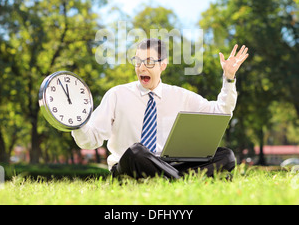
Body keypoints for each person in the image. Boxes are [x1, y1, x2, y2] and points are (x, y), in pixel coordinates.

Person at [72, 38, 249, 179]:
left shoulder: (181, 96)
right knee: (136, 151)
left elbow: (220, 113)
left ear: (162, 65)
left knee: (226, 156)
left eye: (148, 62)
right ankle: (184, 180)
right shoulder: (117, 95)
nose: (141, 67)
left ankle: (173, 179)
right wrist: (77, 123)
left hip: (169, 165)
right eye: (138, 61)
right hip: (130, 166)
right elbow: (90, 140)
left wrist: (229, 78)